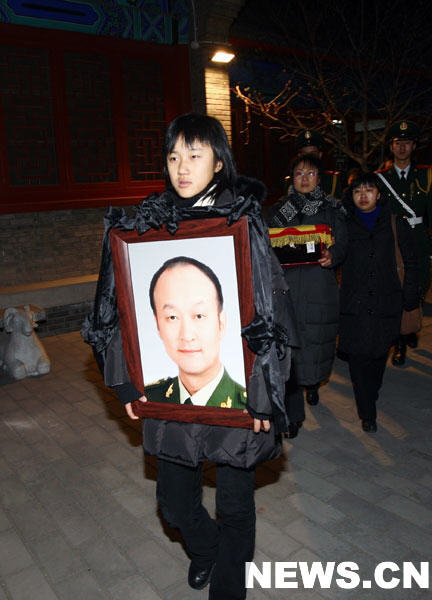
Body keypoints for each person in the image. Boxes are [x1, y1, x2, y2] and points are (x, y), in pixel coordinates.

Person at [82, 113, 295, 600]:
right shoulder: (145, 225)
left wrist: (266, 395)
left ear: (218, 162)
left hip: (239, 395)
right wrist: (124, 381)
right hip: (170, 398)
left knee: (235, 509)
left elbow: (272, 309)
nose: (182, 167)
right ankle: (205, 549)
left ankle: (229, 585)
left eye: (195, 155)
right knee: (175, 505)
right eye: (174, 156)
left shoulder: (241, 222)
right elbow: (115, 309)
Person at [268, 153, 347, 432]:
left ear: (319, 178)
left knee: (316, 342)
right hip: (286, 289)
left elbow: (343, 242)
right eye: (299, 173)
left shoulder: (331, 209)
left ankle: (312, 384)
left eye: (310, 173)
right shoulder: (280, 210)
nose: (304, 179)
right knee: (288, 349)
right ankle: (294, 414)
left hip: (318, 287)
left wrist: (333, 255)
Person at [339, 173, 420, 432]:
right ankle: (367, 412)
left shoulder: (396, 224)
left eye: (369, 190)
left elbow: (412, 262)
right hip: (354, 306)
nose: (363, 196)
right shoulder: (344, 225)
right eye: (357, 191)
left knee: (377, 359)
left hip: (387, 305)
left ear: (379, 194)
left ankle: (370, 396)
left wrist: (409, 298)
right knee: (357, 360)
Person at [146, 255, 246, 409]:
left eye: (199, 316)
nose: (187, 336)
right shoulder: (150, 399)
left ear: (221, 323)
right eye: (172, 317)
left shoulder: (249, 407)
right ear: (158, 325)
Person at [376, 120, 432, 366]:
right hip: (394, 242)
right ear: (391, 147)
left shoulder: (426, 176)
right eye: (397, 143)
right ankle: (399, 342)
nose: (402, 147)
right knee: (397, 289)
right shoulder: (381, 179)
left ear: (414, 146)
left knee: (418, 286)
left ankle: (412, 325)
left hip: (419, 240)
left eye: (407, 143)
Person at [290, 129, 344, 199]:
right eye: (305, 155)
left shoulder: (332, 181)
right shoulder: (292, 180)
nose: (309, 158)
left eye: (312, 154)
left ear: (320, 155)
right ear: (299, 156)